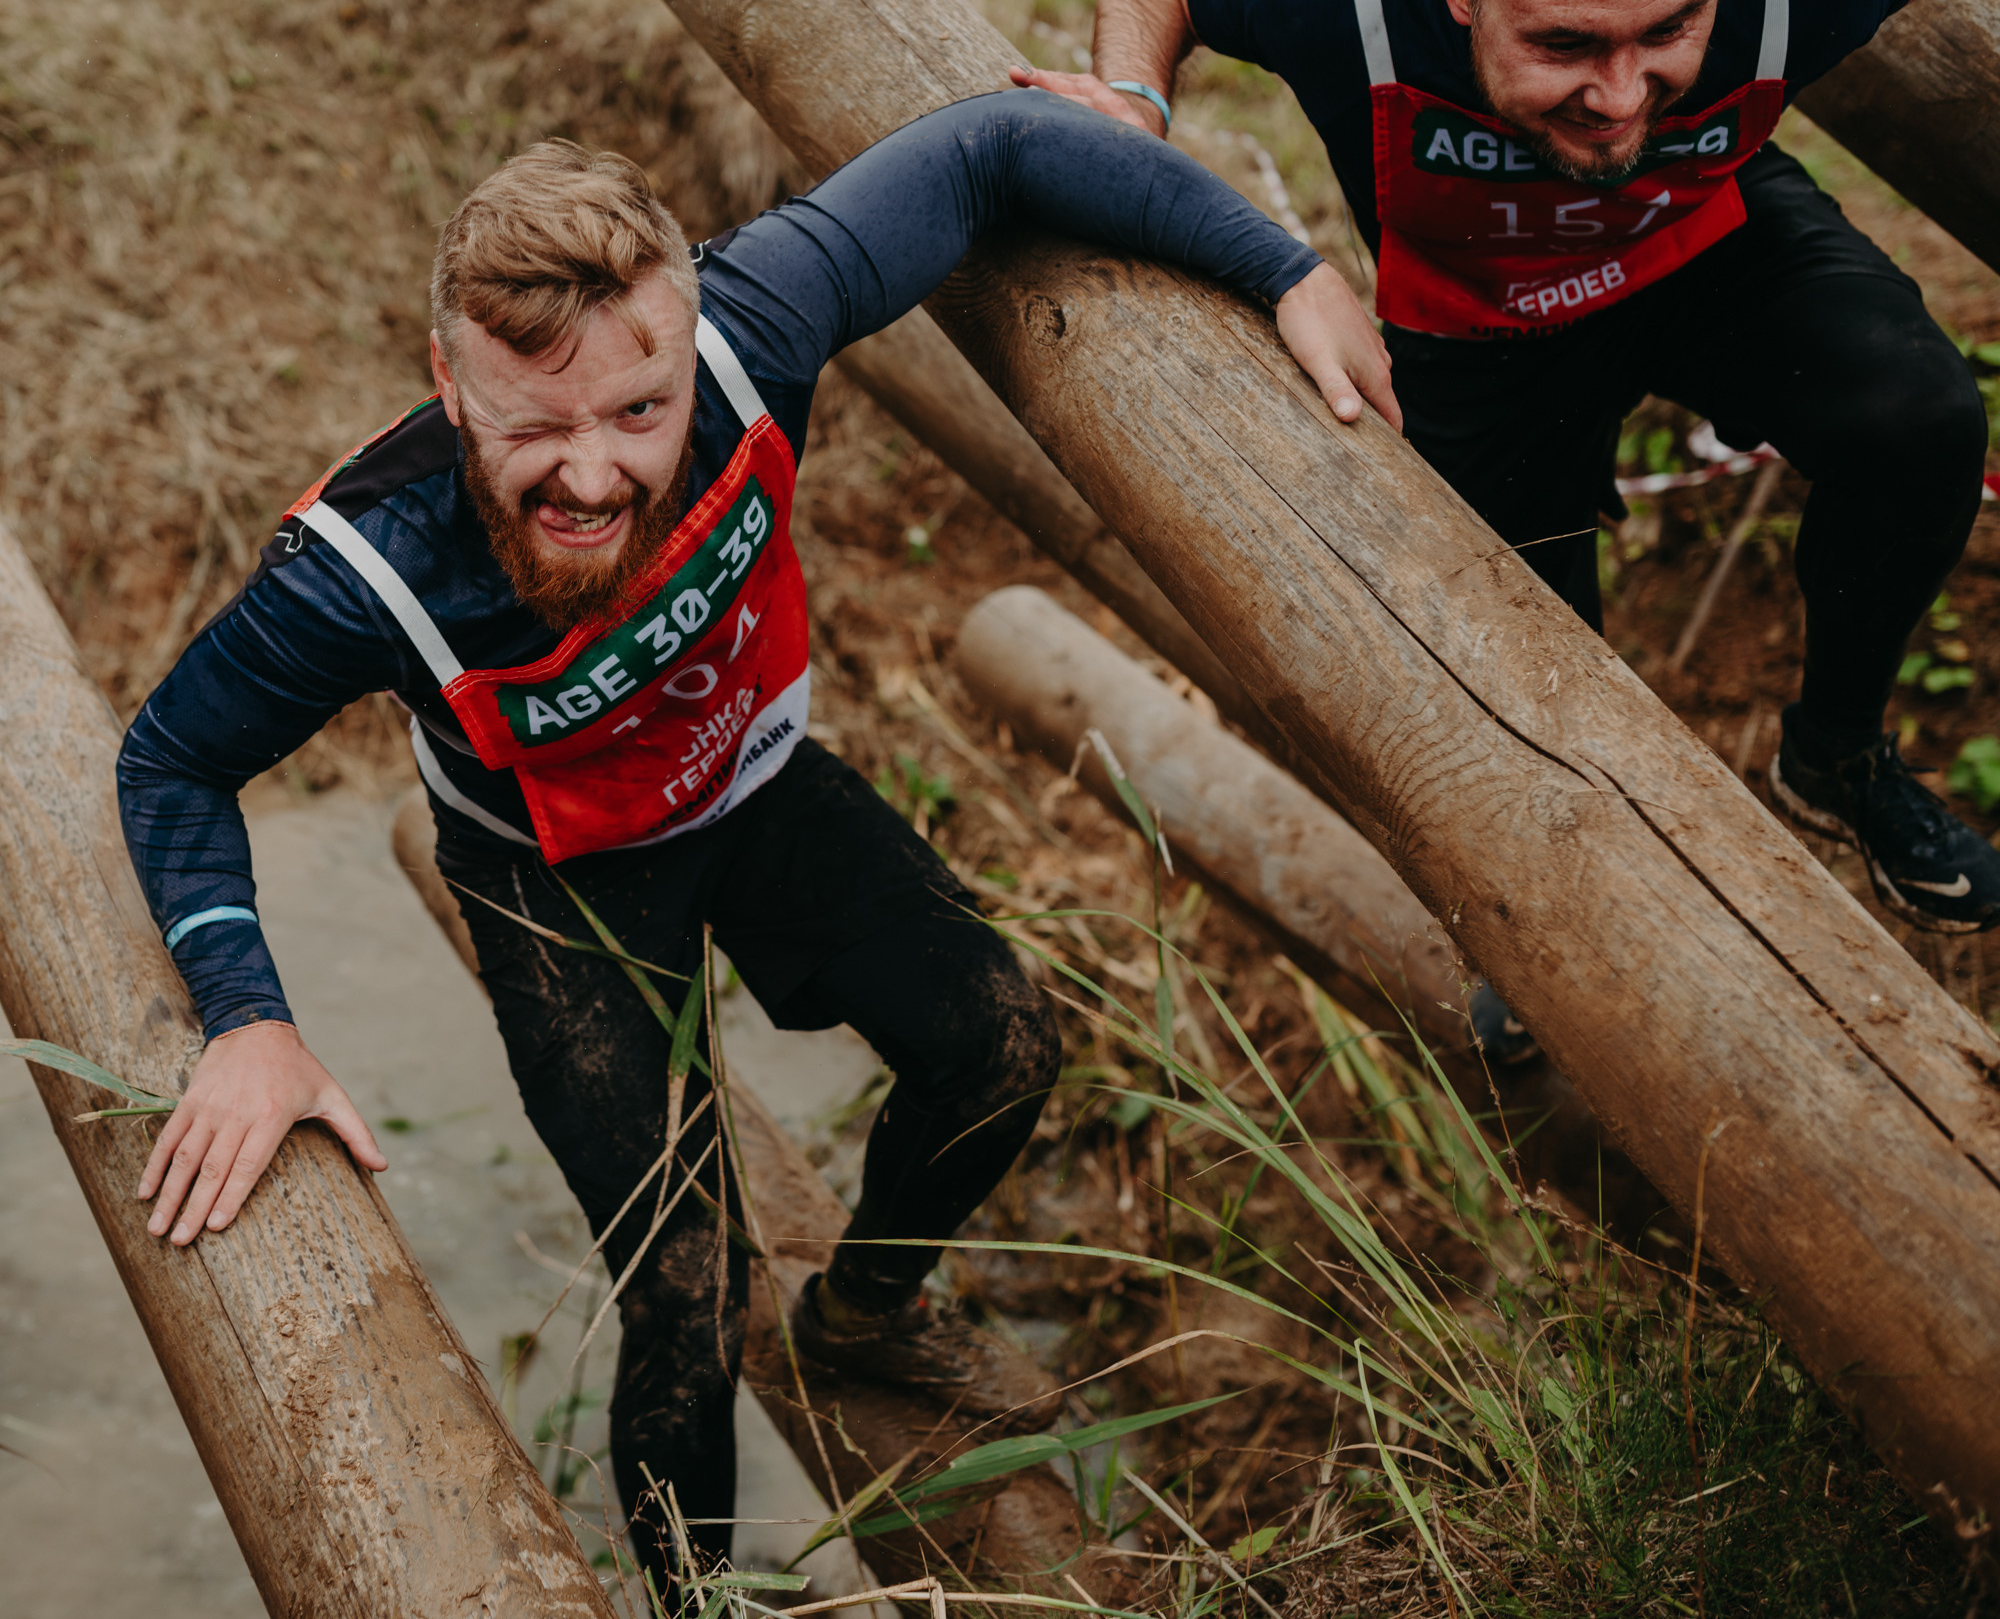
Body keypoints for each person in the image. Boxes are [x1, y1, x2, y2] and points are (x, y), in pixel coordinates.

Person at [113, 92, 1384, 1598]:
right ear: (450, 387)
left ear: (689, 336)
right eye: (534, 428)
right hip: (557, 883)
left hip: (751, 787)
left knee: (1004, 1041)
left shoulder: (757, 321)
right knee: (689, 1292)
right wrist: (247, 1017)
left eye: (637, 414)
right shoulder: (362, 572)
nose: (593, 478)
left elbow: (991, 149)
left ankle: (865, 1311)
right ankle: (704, 1598)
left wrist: (1288, 268)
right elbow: (173, 758)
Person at [1014, 0, 1998, 932]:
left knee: (1918, 418)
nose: (1618, 98)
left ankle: (1835, 753)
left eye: (1670, 27)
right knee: (1521, 669)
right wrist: (1131, 104)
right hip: (1478, 315)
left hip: (1698, 236)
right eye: (1563, 45)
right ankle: (1564, 919)